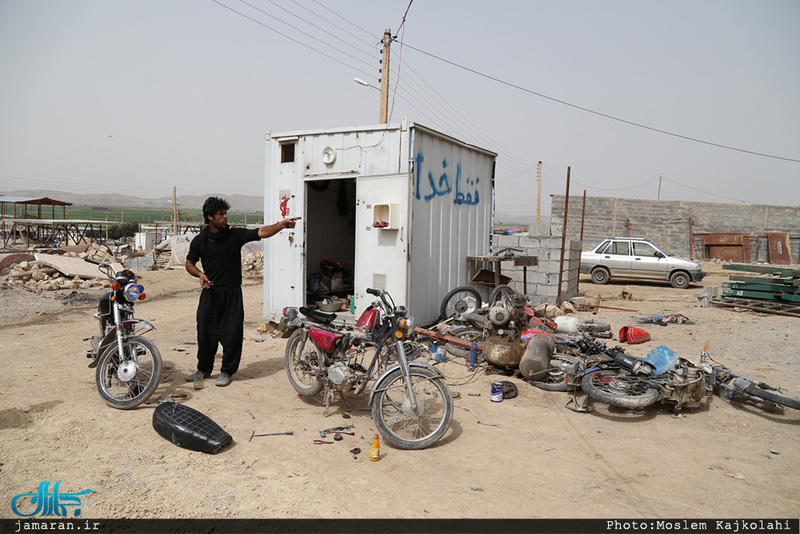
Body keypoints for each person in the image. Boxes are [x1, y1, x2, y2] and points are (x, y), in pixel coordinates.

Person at [185, 196, 298, 387]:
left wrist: (280, 225)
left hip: (232, 294)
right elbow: (189, 263)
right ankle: (203, 370)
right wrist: (200, 275)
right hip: (210, 294)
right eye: (221, 214)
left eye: (225, 213)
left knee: (232, 334)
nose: (225, 217)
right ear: (210, 217)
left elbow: (261, 232)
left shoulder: (235, 235)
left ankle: (227, 371)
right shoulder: (199, 241)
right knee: (205, 333)